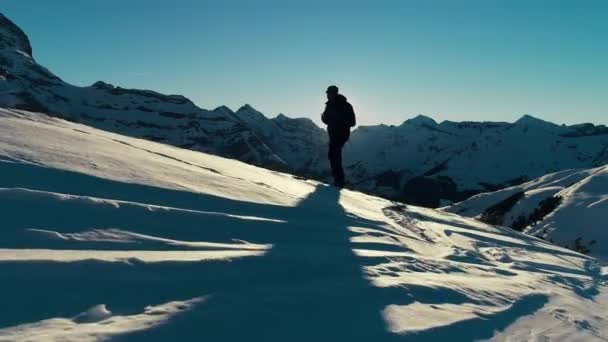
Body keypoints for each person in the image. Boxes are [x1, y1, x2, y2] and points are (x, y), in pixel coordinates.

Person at [321, 85, 356, 188]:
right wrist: (324, 118)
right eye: (327, 93)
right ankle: (338, 180)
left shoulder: (345, 105)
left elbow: (352, 122)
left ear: (334, 94)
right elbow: (327, 120)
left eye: (329, 93)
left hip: (340, 134)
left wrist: (339, 121)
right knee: (333, 155)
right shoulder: (330, 105)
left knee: (334, 155)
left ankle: (339, 181)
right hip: (334, 134)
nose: (327, 95)